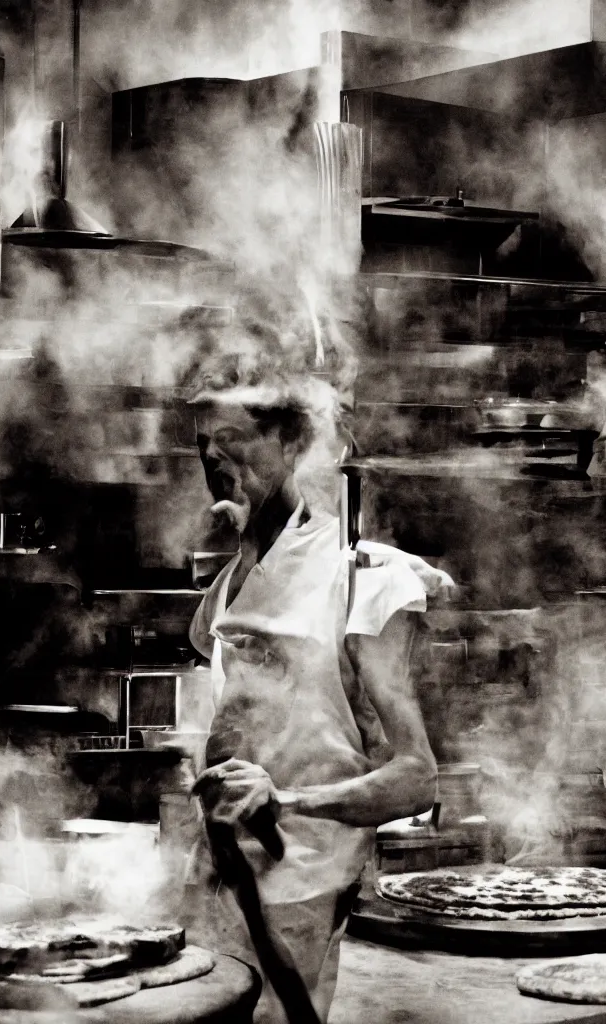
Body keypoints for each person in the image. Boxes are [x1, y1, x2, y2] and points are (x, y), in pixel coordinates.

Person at [181, 367, 446, 1024]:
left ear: (296, 446)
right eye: (202, 442)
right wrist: (241, 543)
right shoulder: (234, 577)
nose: (213, 456)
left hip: (302, 886)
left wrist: (287, 796)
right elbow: (213, 649)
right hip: (214, 880)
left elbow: (417, 780)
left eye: (233, 438)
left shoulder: (364, 576)